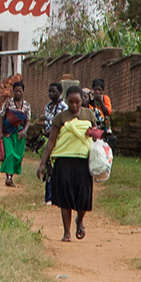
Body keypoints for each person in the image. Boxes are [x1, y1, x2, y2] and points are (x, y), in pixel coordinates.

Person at [47, 87, 97, 241]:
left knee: (84, 197)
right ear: (66, 101)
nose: (74, 105)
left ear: (83, 100)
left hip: (83, 162)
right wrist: (43, 163)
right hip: (64, 161)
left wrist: (93, 134)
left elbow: (95, 136)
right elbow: (51, 141)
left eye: (77, 102)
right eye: (71, 102)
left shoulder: (89, 115)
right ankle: (67, 232)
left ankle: (80, 220)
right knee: (65, 198)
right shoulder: (60, 118)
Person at [0, 90, 32, 187]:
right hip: (7, 133)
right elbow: (1, 117)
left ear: (23, 92)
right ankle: (8, 177)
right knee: (9, 154)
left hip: (19, 134)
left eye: (19, 91)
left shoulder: (26, 105)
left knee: (18, 156)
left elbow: (28, 120)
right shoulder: (8, 103)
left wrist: (24, 131)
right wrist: (0, 132)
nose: (18, 93)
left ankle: (11, 177)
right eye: (16, 91)